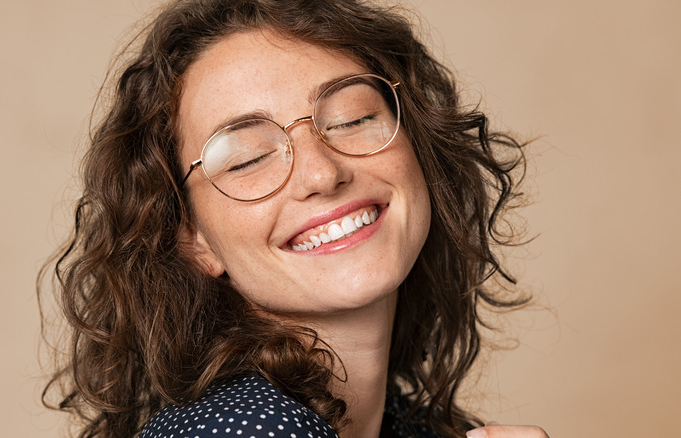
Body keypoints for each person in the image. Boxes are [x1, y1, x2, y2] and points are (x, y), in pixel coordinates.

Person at [39, 0, 549, 437]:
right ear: (194, 239)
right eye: (248, 159)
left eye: (351, 118)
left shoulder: (399, 421)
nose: (323, 173)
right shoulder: (248, 428)